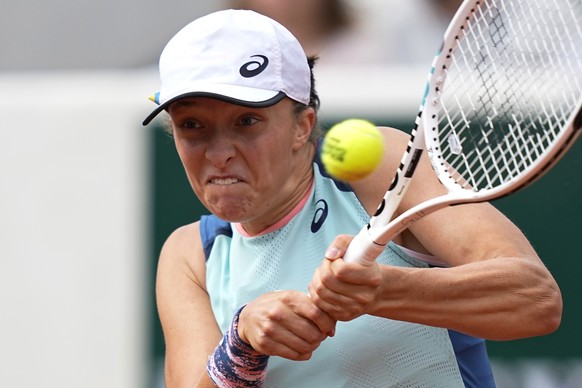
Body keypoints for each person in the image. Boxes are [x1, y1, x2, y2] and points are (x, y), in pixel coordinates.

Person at [143, 9, 562, 387]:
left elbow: (536, 300)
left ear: (302, 126)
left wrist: (383, 290)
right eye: (193, 125)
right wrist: (241, 346)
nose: (218, 154)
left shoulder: (379, 166)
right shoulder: (189, 256)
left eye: (247, 121)